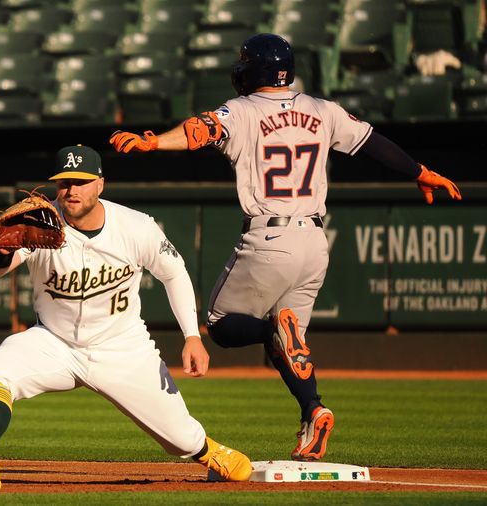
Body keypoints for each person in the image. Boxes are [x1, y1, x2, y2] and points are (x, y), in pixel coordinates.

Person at [109, 33, 462, 462]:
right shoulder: (322, 109)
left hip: (269, 236)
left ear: (249, 70)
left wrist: (154, 142)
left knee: (221, 325)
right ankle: (313, 412)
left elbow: (201, 129)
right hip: (315, 241)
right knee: (289, 347)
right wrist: (420, 171)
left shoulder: (241, 110)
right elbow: (373, 143)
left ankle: (275, 329)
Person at [0, 144, 253, 492]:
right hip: (55, 342)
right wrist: (2, 251)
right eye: (64, 181)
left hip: (122, 347)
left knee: (181, 439)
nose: (71, 189)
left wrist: (191, 335)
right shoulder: (40, 222)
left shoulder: (136, 226)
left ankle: (208, 450)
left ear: (100, 184)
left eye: (81, 181)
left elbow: (174, 274)